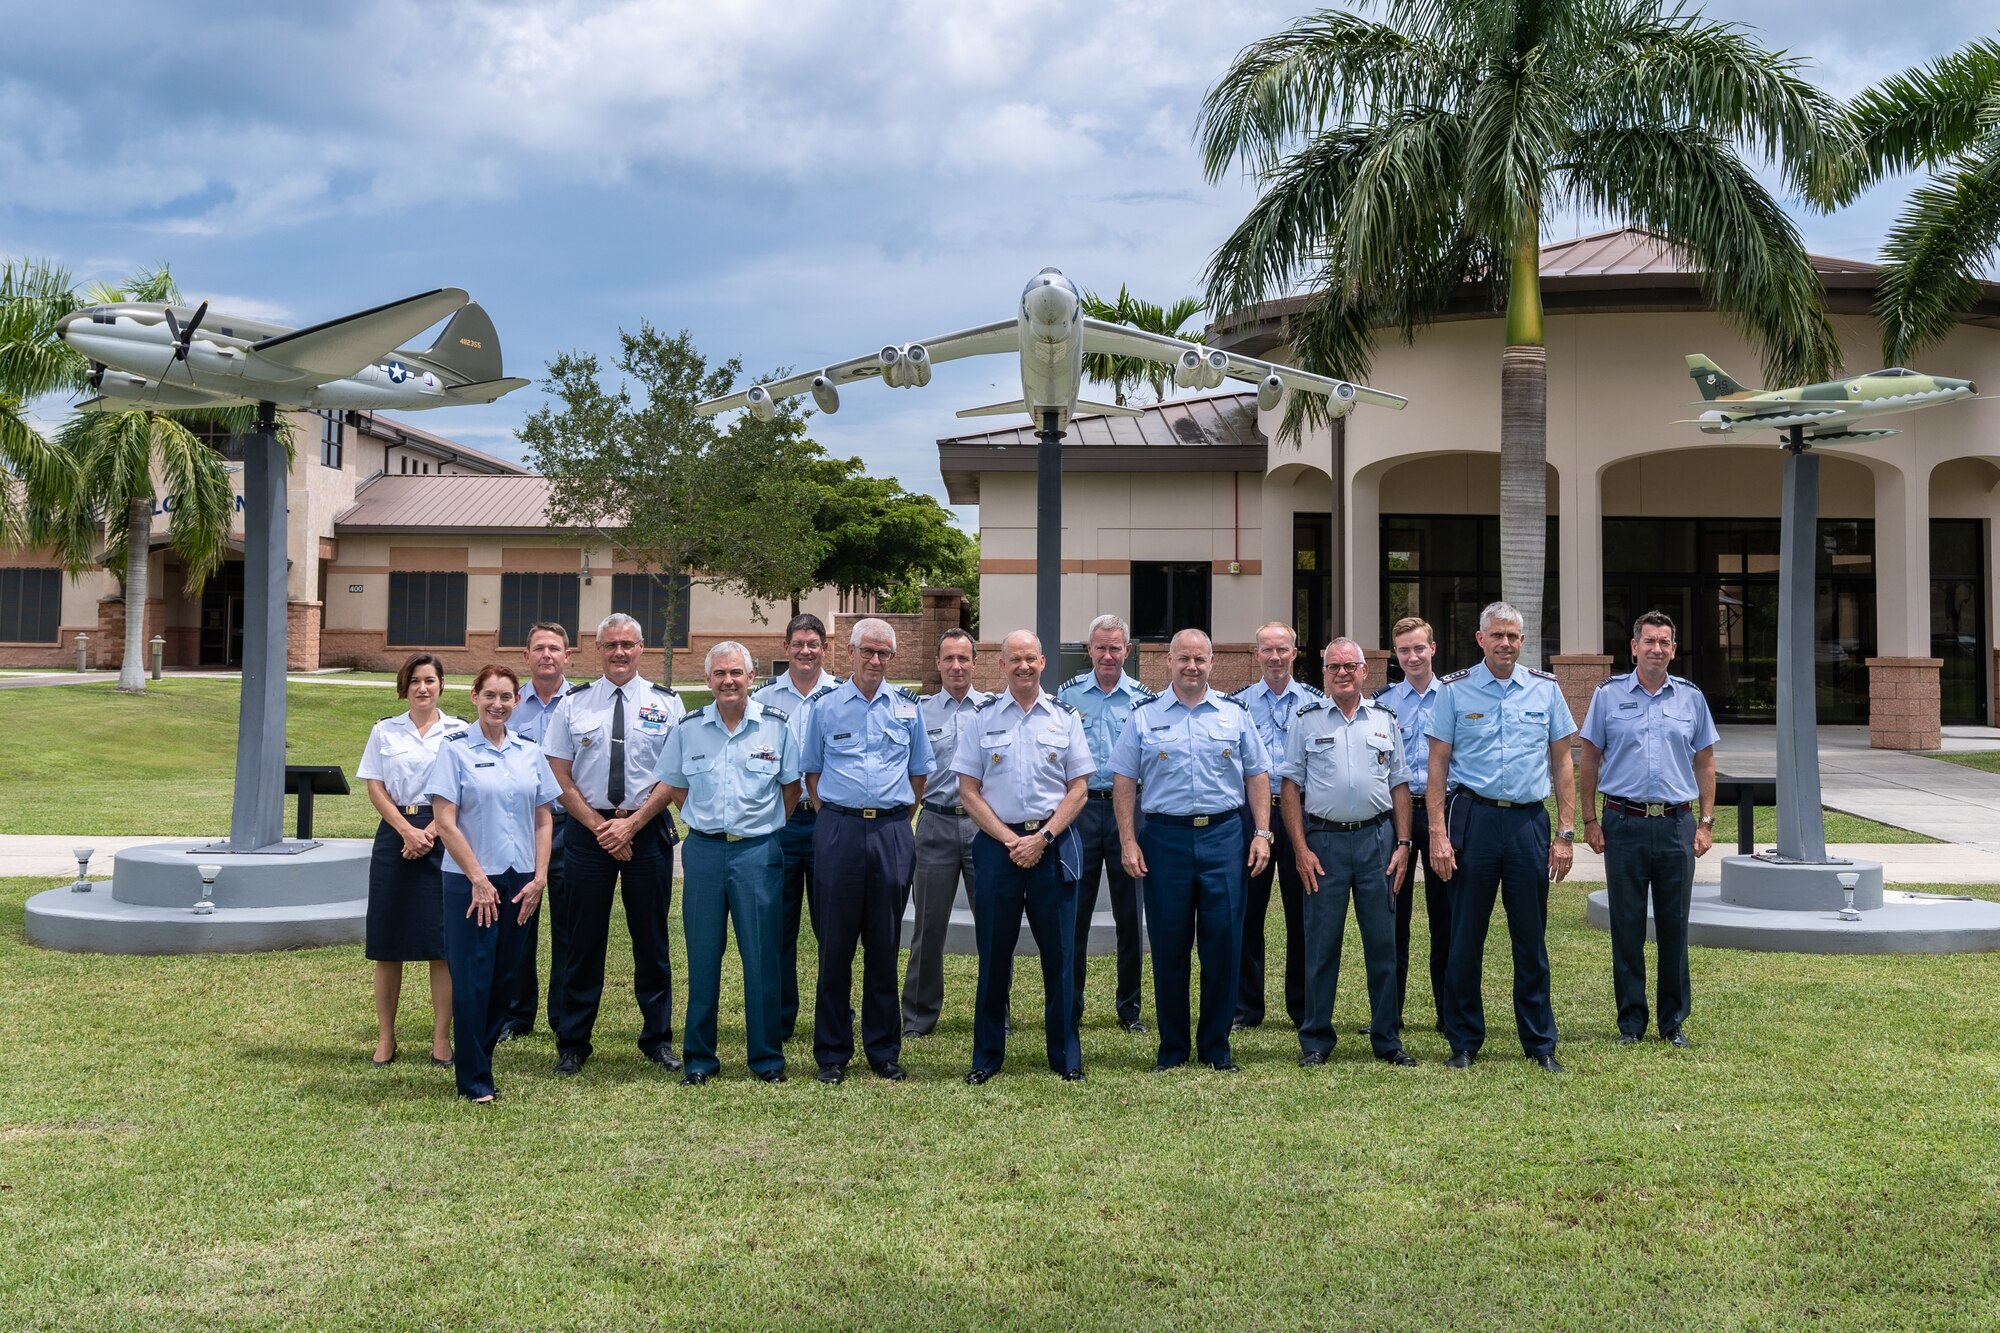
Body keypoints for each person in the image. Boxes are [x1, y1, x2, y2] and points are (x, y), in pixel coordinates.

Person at [1426, 602, 1578, 1073]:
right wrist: (1437, 833)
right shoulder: (1454, 691)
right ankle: (1465, 1041)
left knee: (1530, 939)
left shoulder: (1546, 690)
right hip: (1473, 819)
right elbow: (1437, 767)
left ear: (1522, 640)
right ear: (1480, 638)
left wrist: (1565, 832)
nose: (1506, 643)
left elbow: (1563, 763)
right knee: (1465, 936)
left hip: (1528, 824)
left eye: (1513, 636)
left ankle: (1539, 1043)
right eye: (1497, 636)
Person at [1111, 629, 1271, 1073]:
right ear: (1169, 661)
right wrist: (1128, 839)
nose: (1192, 667)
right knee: (1169, 945)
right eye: (1184, 658)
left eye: (1200, 659)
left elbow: (1257, 774)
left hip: (1224, 837)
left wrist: (1262, 832)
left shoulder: (1234, 714)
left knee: (1224, 944)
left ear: (1212, 662)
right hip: (1165, 839)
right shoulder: (1143, 717)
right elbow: (1124, 780)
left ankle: (1217, 1048)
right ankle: (1174, 1048)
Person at [541, 612, 686, 1077]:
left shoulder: (667, 703)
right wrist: (600, 826)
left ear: (641, 648)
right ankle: (573, 1043)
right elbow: (557, 772)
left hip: (647, 831)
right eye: (610, 645)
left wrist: (632, 824)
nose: (619, 652)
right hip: (587, 834)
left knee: (652, 939)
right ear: (597, 649)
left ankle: (657, 1039)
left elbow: (676, 772)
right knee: (581, 941)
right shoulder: (574, 704)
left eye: (627, 644)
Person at [652, 641, 801, 1084]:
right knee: (702, 956)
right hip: (704, 853)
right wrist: (708, 823)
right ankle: (699, 1059)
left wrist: (760, 826)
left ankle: (767, 1059)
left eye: (736, 673)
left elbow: (790, 790)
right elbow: (677, 788)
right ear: (708, 680)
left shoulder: (777, 728)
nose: (728, 681)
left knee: (762, 957)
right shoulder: (688, 728)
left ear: (751, 678)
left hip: (757, 854)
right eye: (719, 674)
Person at [954, 630, 1093, 1084]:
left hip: (1051, 850)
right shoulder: (982, 718)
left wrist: (1043, 838)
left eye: (1030, 659)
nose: (1023, 667)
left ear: (1043, 662)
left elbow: (1079, 789)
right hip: (999, 850)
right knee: (994, 957)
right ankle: (987, 1057)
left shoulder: (1065, 717)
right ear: (1001, 665)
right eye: (1014, 659)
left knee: (1061, 958)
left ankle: (1065, 1057)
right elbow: (968, 791)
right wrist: (1011, 840)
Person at [800, 617, 934, 1083]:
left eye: (884, 654)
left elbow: (920, 776)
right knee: (835, 945)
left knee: (884, 944)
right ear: (850, 653)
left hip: (893, 833)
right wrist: (838, 816)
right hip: (838, 829)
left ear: (892, 658)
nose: (875, 661)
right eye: (868, 652)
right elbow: (811, 775)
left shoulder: (908, 708)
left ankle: (882, 1051)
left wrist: (893, 818)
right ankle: (832, 1053)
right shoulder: (825, 706)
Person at [1578, 610, 1718, 1049]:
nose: (1657, 649)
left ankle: (1672, 1021)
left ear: (1674, 650)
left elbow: (1706, 763)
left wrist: (1707, 823)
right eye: (1649, 641)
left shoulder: (1691, 698)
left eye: (1665, 642)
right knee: (1627, 924)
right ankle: (1631, 1023)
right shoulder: (1607, 695)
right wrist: (1589, 820)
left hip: (1677, 824)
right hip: (1624, 823)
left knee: (1675, 927)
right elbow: (1589, 759)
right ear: (1634, 647)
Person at [1279, 638, 1418, 1068]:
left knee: (1383, 943)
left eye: (1350, 666)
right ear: (1323, 673)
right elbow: (1290, 787)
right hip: (1324, 844)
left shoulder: (1384, 719)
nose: (1342, 672)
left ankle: (1387, 1038)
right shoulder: (1305, 720)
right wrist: (1300, 849)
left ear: (1364, 672)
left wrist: (1403, 843)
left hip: (1377, 841)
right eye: (1333, 666)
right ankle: (1317, 1038)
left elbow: (1399, 784)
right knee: (1320, 945)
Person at [426, 664, 559, 1102]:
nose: (498, 704)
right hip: (470, 880)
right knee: (473, 980)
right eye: (490, 696)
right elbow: (445, 822)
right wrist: (478, 879)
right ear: (474, 697)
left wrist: (540, 877)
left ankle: (478, 1061)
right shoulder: (455, 749)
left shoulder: (529, 751)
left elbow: (543, 817)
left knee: (506, 980)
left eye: (506, 697)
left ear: (516, 702)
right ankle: (474, 1079)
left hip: (520, 879)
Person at [355, 653, 465, 1068]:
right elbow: (376, 787)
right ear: (406, 686)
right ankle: (386, 1038)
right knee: (389, 944)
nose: (423, 687)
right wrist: (407, 831)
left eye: (431, 680)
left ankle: (441, 1039)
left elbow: (462, 786)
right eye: (416, 680)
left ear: (441, 685)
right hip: (396, 837)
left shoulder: (458, 732)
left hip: (444, 835)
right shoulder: (385, 730)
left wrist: (432, 831)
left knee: (442, 945)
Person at [1055, 614, 1153, 1034]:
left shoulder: (1145, 699)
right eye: (1101, 647)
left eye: (1116, 648)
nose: (1108, 655)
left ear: (1127, 651)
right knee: (1073, 914)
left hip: (1129, 813)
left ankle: (1129, 1009)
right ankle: (1070, 1006)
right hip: (1080, 813)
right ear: (1089, 650)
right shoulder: (1067, 694)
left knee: (1130, 916)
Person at [1227, 620, 1323, 1031]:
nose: (1275, 657)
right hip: (1252, 816)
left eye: (1282, 649)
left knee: (1304, 913)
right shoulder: (1237, 704)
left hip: (1302, 814)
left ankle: (1302, 1009)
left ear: (1295, 653)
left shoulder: (1317, 702)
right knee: (1247, 914)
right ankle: (1247, 1009)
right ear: (1255, 654)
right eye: (1267, 650)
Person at [752, 613, 840, 1043]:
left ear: (825, 648)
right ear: (786, 647)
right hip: (781, 822)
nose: (806, 650)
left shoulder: (842, 694)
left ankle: (834, 1012)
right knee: (778, 925)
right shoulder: (764, 697)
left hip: (830, 823)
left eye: (813, 643)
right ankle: (781, 1016)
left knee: (833, 926)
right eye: (798, 643)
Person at [900, 629, 992, 1038]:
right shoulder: (918, 711)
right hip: (934, 823)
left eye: (964, 658)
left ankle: (995, 1014)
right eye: (948, 659)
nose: (956, 666)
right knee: (928, 926)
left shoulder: (994, 710)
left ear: (975, 663)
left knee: (994, 924)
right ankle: (918, 1017)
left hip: (984, 826)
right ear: (937, 663)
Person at [1374, 615, 1450, 1031]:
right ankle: (1390, 1014)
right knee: (1391, 919)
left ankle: (1447, 1013)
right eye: (1404, 650)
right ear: (1396, 655)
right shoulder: (1384, 703)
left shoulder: (1454, 698)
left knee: (1447, 919)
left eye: (1419, 648)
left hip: (1443, 817)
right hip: (1396, 817)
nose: (1413, 656)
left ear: (1432, 649)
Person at [497, 620, 572, 1041]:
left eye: (554, 648)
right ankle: (515, 1015)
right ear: (526, 657)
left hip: (568, 828)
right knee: (518, 924)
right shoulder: (509, 705)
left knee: (568, 927)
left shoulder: (581, 704)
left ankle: (562, 1017)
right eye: (539, 648)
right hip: (519, 830)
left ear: (567, 656)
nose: (546, 654)